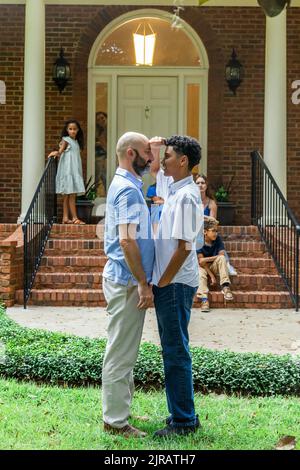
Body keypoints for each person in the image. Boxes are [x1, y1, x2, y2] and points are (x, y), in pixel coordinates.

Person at [102, 131, 154, 438]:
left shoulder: (129, 184)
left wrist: (154, 148)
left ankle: (122, 409)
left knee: (125, 351)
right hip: (126, 281)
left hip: (123, 278)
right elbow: (126, 239)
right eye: (147, 153)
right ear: (132, 154)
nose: (151, 158)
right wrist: (142, 282)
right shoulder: (129, 191)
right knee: (120, 353)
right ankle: (116, 421)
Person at [151, 135, 203, 438]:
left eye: (168, 155)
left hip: (175, 284)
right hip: (171, 283)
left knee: (175, 352)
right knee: (173, 349)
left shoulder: (186, 196)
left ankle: (183, 421)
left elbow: (185, 247)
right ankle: (181, 416)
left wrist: (163, 280)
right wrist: (157, 147)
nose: (164, 159)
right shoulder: (175, 189)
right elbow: (159, 173)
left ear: (183, 161)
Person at [195, 174, 237, 275]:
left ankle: (226, 264)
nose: (200, 185)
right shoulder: (192, 202)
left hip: (206, 232)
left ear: (206, 185)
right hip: (195, 232)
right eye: (198, 183)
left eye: (203, 183)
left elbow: (212, 223)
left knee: (214, 236)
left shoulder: (211, 203)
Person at [48, 119, 85, 225]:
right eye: (70, 129)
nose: (72, 131)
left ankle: (66, 218)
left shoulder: (76, 142)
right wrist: (54, 153)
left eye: (74, 129)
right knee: (68, 196)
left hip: (74, 171)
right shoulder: (66, 140)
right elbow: (60, 152)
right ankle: (73, 218)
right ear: (67, 130)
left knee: (71, 195)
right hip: (67, 172)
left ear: (78, 130)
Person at [197, 219, 234, 312]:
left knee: (222, 258)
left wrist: (208, 259)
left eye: (216, 231)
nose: (215, 233)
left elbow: (222, 255)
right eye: (213, 231)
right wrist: (212, 276)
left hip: (214, 265)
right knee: (200, 273)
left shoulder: (217, 239)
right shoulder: (199, 241)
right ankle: (204, 300)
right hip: (203, 267)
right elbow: (201, 262)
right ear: (205, 232)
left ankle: (225, 287)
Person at [95, 111, 107, 197]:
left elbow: (106, 144)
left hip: (106, 155)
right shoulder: (97, 131)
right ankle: (94, 194)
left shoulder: (109, 129)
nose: (101, 120)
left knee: (104, 176)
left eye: (102, 118)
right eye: (98, 119)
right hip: (98, 156)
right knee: (98, 176)